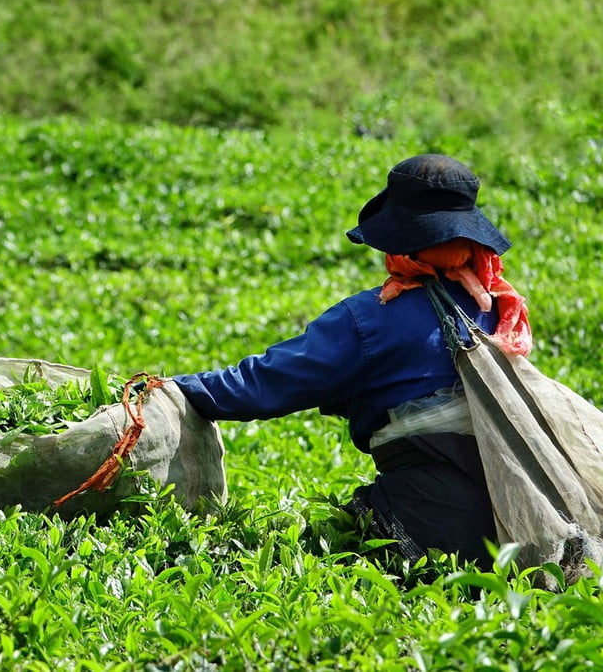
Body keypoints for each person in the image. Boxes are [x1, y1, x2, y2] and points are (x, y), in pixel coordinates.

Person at [170, 154, 532, 568]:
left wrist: (177, 389)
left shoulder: (370, 320)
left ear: (400, 241)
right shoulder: (499, 311)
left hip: (435, 537)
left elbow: (263, 385)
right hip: (519, 530)